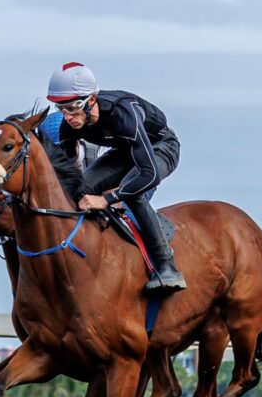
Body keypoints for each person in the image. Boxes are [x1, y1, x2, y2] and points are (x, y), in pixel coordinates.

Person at [46, 62, 186, 294]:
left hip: (160, 148)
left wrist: (106, 200)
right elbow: (69, 170)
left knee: (135, 193)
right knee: (81, 188)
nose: (67, 117)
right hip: (124, 151)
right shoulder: (68, 126)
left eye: (72, 108)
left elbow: (148, 174)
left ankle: (166, 265)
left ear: (90, 100)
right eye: (62, 110)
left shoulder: (123, 113)